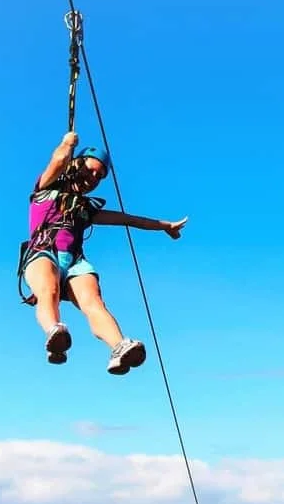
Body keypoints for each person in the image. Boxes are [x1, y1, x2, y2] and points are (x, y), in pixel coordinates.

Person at [18, 131, 188, 375]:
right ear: (76, 164)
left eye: (99, 176)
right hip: (44, 252)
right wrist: (66, 144)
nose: (93, 177)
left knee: (94, 302)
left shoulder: (86, 209)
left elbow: (128, 219)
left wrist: (164, 227)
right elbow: (57, 163)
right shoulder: (45, 189)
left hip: (74, 261)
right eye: (91, 170)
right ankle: (54, 333)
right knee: (49, 291)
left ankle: (119, 347)